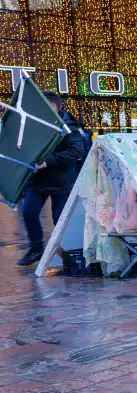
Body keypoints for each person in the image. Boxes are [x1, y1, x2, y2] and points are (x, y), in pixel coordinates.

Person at [18, 92, 85, 266]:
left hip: (62, 182)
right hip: (38, 180)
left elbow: (76, 151)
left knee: (60, 220)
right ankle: (36, 249)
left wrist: (47, 162)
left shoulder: (70, 126)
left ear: (54, 107)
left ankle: (69, 255)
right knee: (28, 212)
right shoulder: (37, 122)